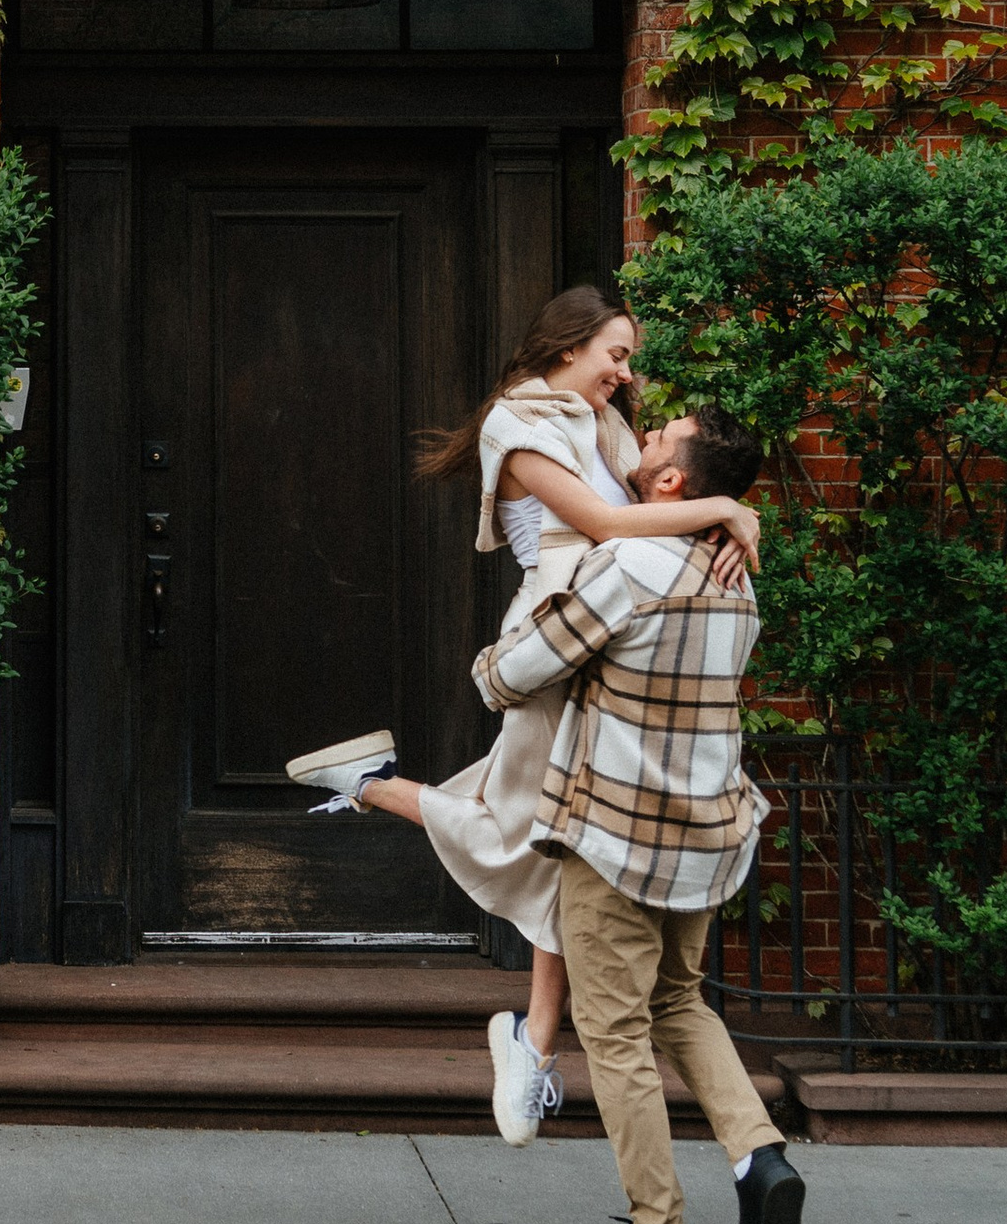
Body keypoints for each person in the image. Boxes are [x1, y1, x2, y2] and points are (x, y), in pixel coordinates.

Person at [286, 288, 761, 1148]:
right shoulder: (519, 424)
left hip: (602, 623)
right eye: (615, 354)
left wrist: (724, 506)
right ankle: (371, 788)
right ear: (567, 346)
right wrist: (725, 509)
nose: (627, 373)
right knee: (533, 831)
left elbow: (658, 497)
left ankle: (535, 1042)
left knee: (562, 831)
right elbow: (613, 520)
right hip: (557, 626)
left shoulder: (604, 425)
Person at [474, 401, 805, 1224]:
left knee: (614, 1029)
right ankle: (759, 1155)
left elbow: (518, 672)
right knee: (681, 1003)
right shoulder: (735, 574)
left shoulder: (627, 564)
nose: (641, 436)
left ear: (667, 483)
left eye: (657, 439)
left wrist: (488, 662)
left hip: (615, 837)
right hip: (703, 835)